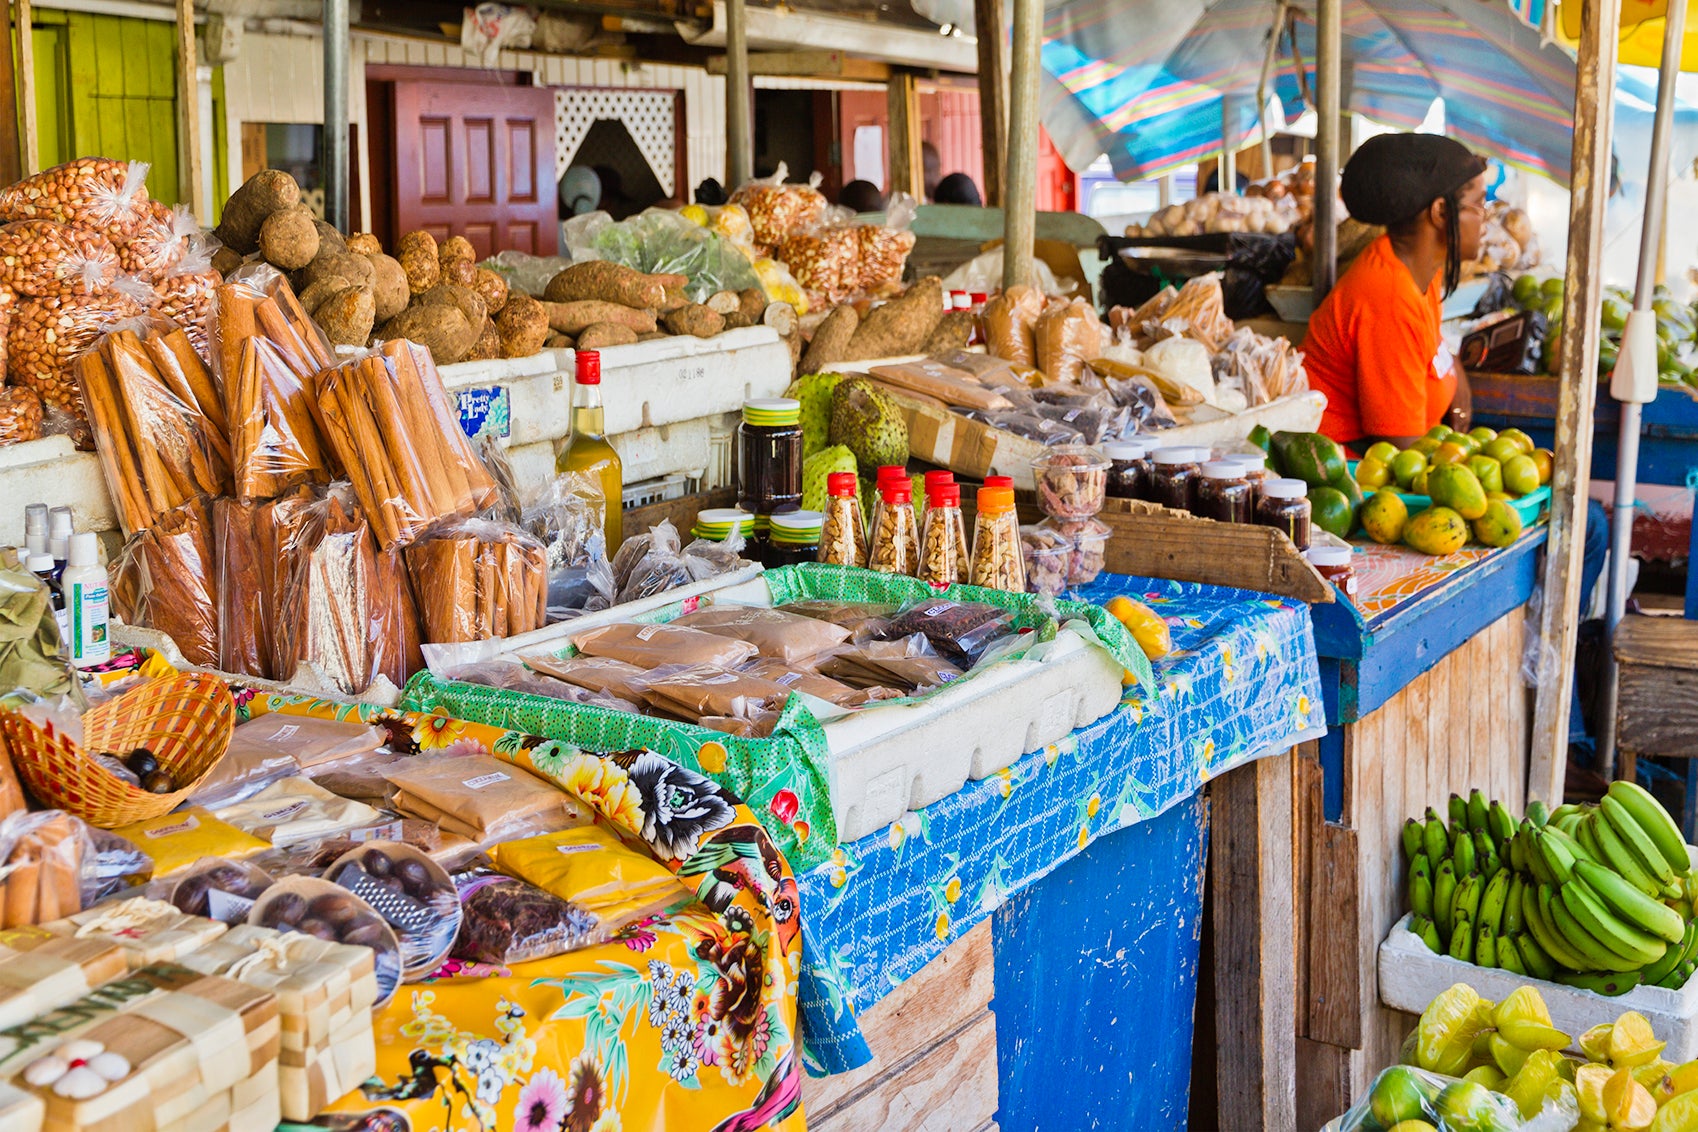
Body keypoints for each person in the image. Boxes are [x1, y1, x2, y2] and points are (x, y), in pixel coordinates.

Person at [1303, 132, 1486, 453]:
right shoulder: (1389, 298)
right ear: (1440, 212)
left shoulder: (1419, 269)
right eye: (1480, 204)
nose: (1486, 218)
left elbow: (1431, 346)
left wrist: (1456, 379)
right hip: (1350, 469)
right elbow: (1402, 452)